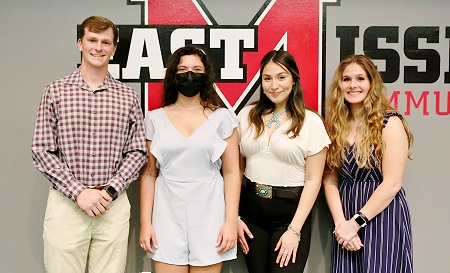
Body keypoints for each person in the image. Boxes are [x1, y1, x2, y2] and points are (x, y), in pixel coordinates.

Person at [31, 16, 148, 273]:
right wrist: (79, 193)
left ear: (114, 49)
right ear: (80, 43)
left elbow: (138, 151)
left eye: (106, 42)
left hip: (112, 206)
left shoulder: (128, 97)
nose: (99, 47)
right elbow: (42, 150)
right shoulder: (56, 91)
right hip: (66, 205)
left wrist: (109, 192)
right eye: (92, 40)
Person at [139, 44, 241, 273]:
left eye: (196, 69)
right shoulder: (155, 119)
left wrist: (230, 221)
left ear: (206, 75)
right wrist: (146, 223)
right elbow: (148, 174)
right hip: (166, 213)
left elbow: (233, 172)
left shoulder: (222, 117)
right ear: (173, 75)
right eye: (183, 69)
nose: (189, 74)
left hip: (211, 213)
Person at [237, 50, 330, 273]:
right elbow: (235, 169)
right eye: (267, 78)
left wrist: (294, 230)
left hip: (289, 216)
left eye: (281, 77)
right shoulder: (247, 115)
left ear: (294, 79)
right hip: (250, 215)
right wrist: (235, 216)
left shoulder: (311, 122)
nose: (274, 85)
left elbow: (313, 181)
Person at [323, 54, 414, 273]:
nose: (353, 85)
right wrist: (341, 225)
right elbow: (329, 178)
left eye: (360, 79)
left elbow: (392, 183)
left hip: (383, 215)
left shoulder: (389, 123)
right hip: (345, 215)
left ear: (372, 83)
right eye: (346, 79)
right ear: (339, 84)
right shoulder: (335, 124)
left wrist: (356, 223)